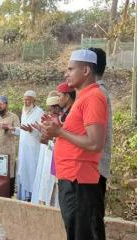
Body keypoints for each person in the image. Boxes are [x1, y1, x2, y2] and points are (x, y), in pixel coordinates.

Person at [41, 49, 108, 240]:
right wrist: (56, 128)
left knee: (81, 234)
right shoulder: (83, 98)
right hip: (72, 179)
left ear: (86, 71)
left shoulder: (93, 97)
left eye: (71, 69)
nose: (66, 73)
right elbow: (77, 135)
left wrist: (59, 131)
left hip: (79, 181)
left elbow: (95, 143)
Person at [89, 47, 113, 239]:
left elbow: (93, 138)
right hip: (95, 168)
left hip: (94, 169)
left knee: (93, 220)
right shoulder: (98, 93)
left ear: (88, 68)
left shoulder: (97, 95)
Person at [31, 91, 61, 206]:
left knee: (56, 192)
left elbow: (60, 140)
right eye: (49, 110)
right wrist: (41, 130)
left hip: (57, 161)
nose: (50, 112)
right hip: (47, 158)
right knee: (45, 185)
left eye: (52, 110)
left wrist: (48, 140)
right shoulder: (50, 119)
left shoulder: (62, 119)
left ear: (57, 108)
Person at [14, 90, 44, 201]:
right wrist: (13, 129)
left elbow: (42, 132)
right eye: (25, 99)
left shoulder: (39, 112)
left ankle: (31, 198)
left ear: (34, 100)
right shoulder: (24, 111)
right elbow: (23, 131)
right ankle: (22, 197)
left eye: (28, 99)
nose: (26, 102)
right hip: (23, 149)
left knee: (31, 172)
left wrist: (32, 130)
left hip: (33, 150)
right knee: (22, 170)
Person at [0, 96, 20, 196]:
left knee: (8, 173)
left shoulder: (13, 117)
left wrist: (8, 128)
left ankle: (8, 196)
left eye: (1, 104)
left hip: (8, 151)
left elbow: (18, 131)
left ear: (6, 104)